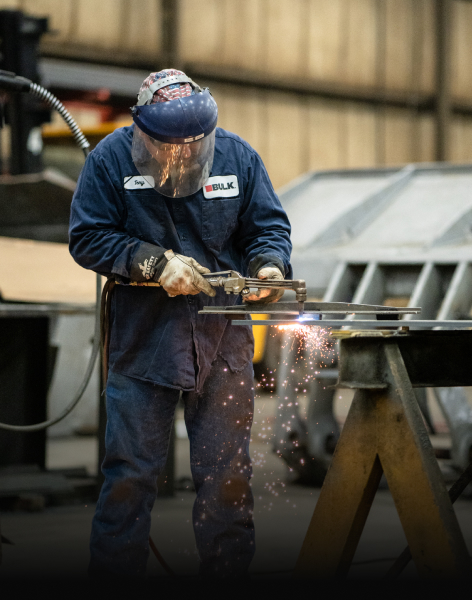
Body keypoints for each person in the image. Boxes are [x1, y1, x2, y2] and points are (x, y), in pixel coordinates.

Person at [69, 69, 292, 579]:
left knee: (227, 479)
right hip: (144, 340)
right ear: (143, 132)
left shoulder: (237, 157)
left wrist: (268, 266)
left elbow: (268, 227)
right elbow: (87, 237)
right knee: (130, 477)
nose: (183, 156)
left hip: (223, 339)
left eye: (194, 145)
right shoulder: (109, 161)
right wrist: (152, 263)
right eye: (171, 146)